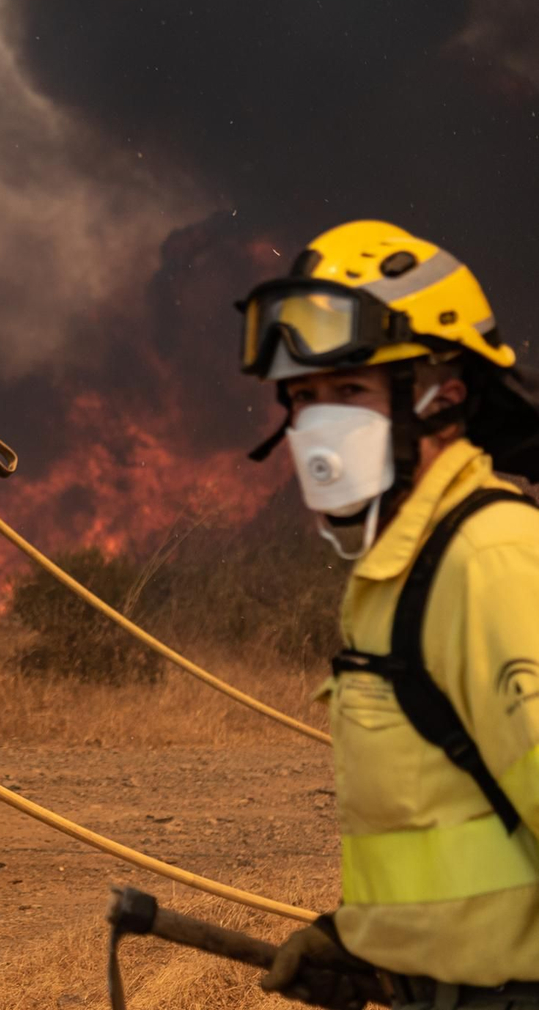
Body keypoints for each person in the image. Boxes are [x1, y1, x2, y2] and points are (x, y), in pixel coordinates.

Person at [238, 220, 539, 1010]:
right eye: (303, 397)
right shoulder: (401, 568)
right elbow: (454, 820)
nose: (317, 424)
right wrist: (367, 944)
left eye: (350, 391)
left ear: (444, 394)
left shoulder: (492, 561)